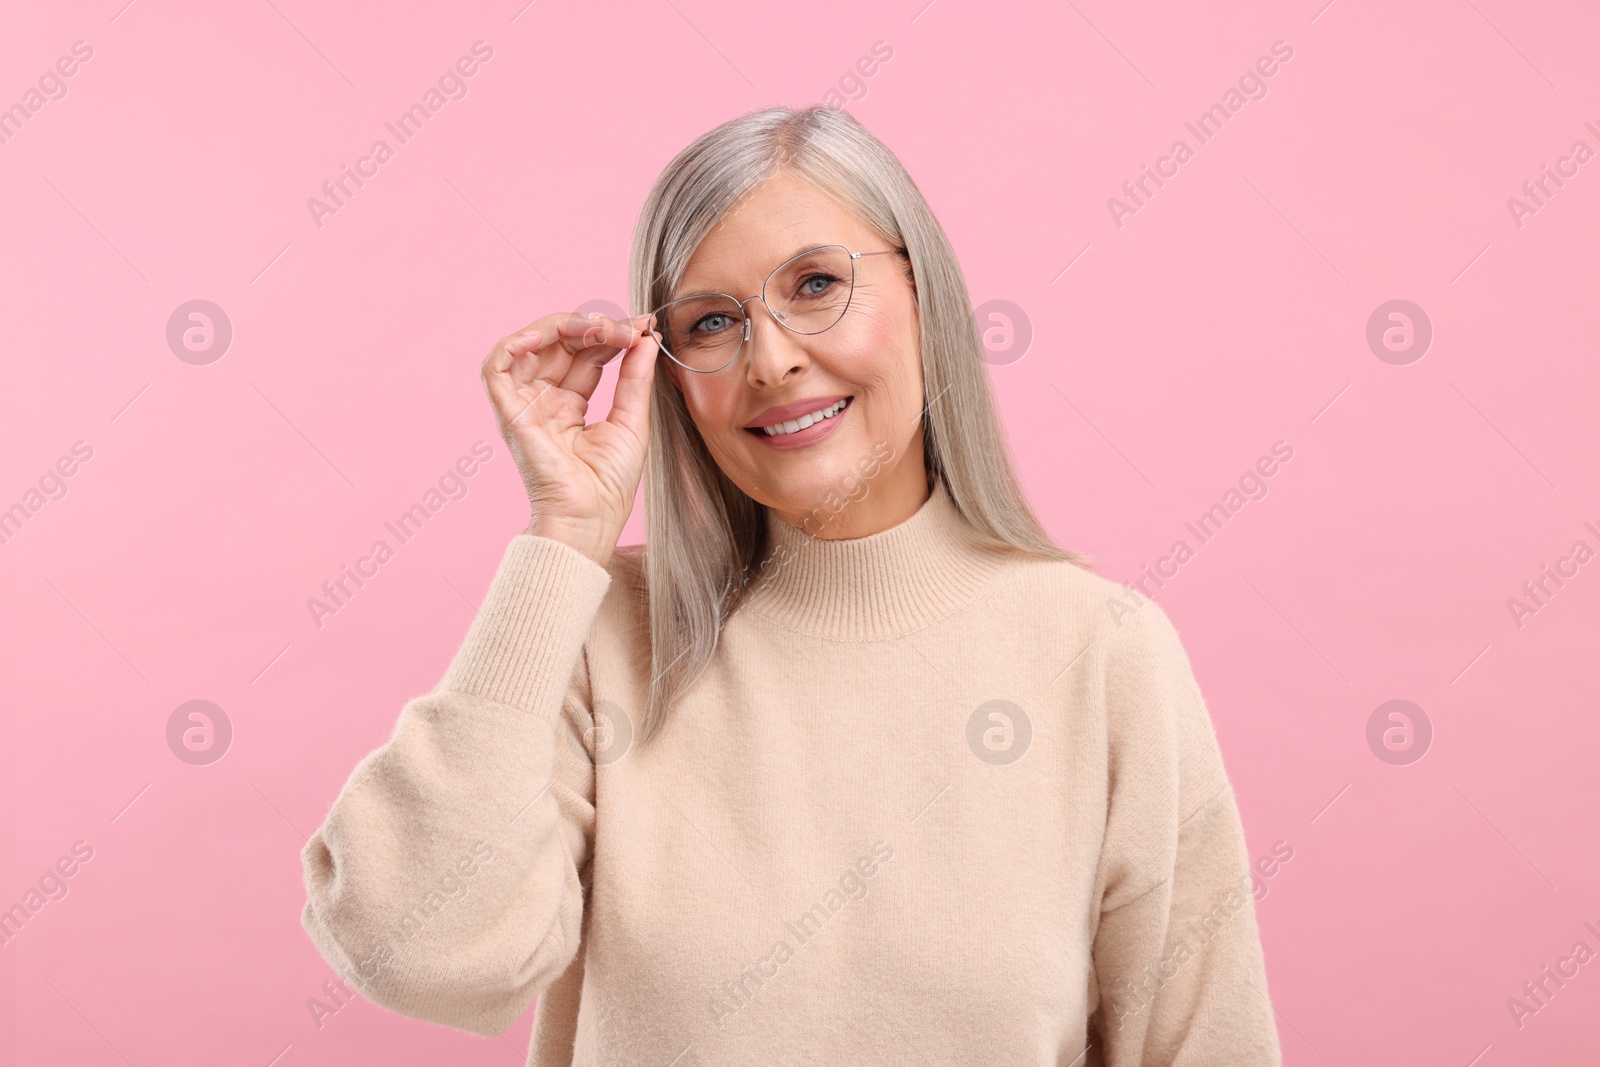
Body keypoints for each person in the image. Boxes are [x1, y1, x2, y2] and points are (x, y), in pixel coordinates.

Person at [299, 103, 1281, 1066]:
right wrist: (563, 538)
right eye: (713, 321)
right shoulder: (602, 638)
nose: (769, 359)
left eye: (815, 284)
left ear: (924, 292)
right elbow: (413, 950)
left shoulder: (1101, 652)